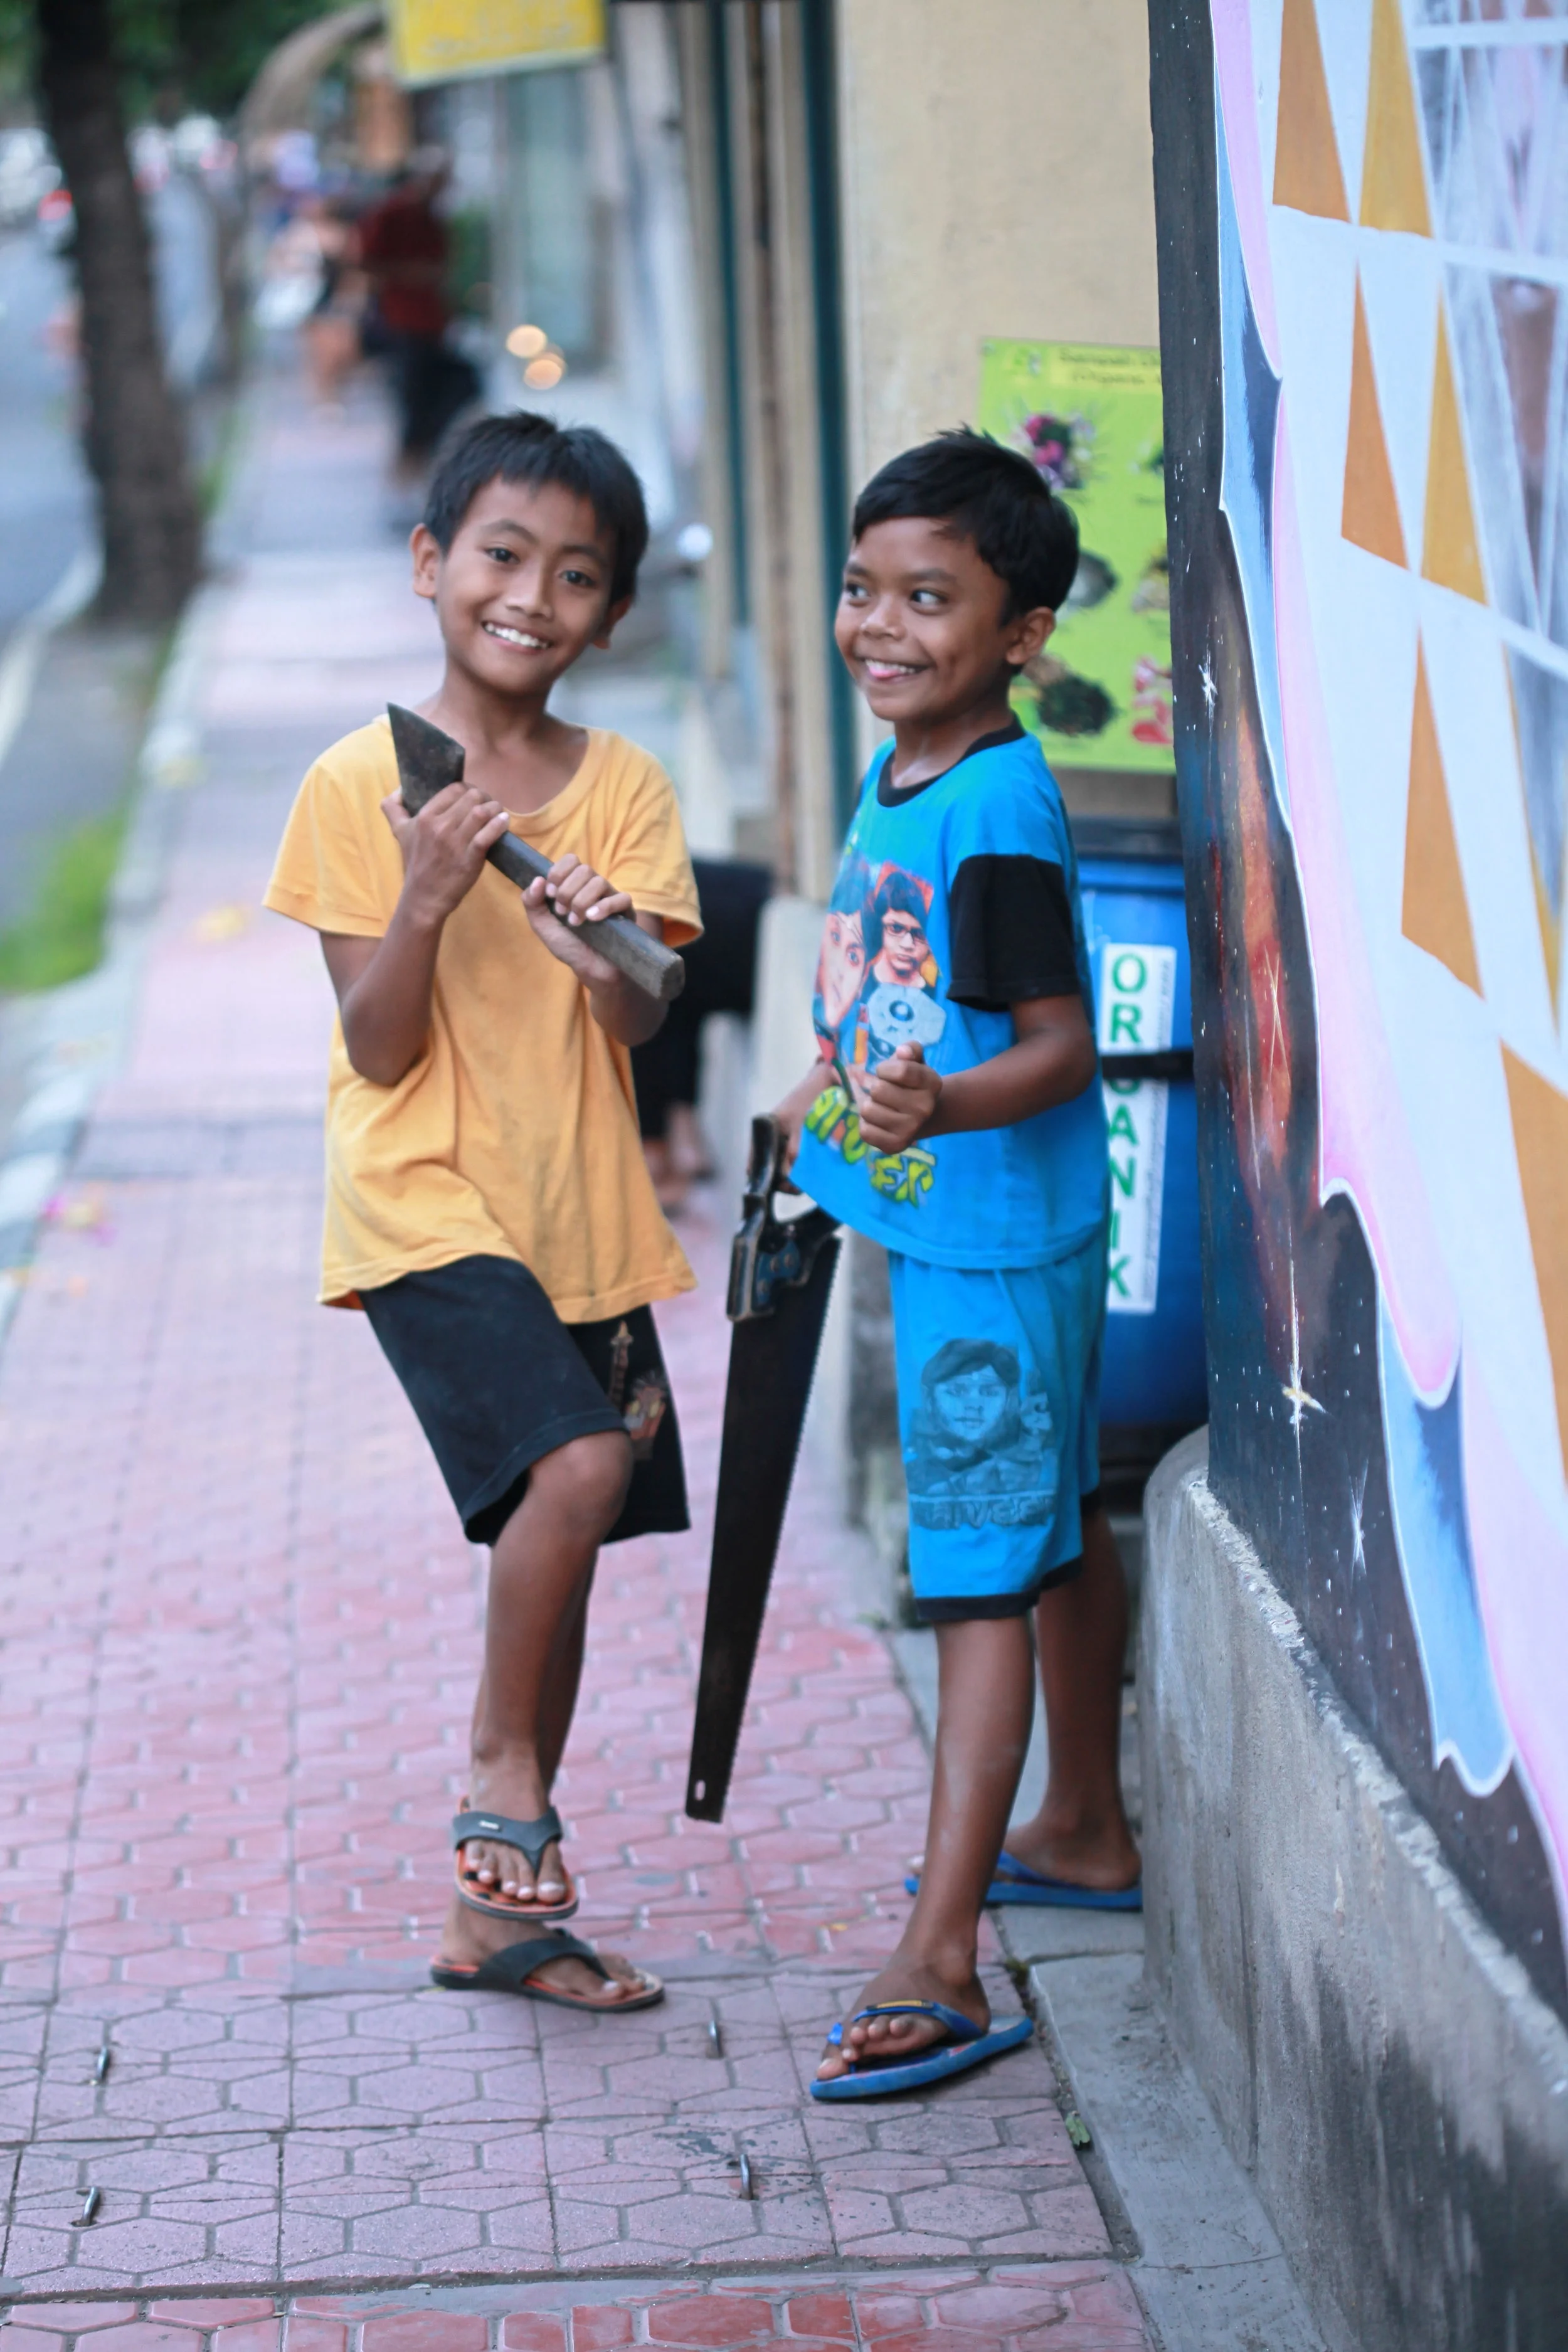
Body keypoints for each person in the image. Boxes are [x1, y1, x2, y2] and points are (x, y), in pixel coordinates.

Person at [263, 412, 702, 2015]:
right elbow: (376, 1043)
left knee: (566, 1538)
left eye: (577, 573)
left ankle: (495, 1918)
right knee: (579, 1461)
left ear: (614, 610)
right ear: (433, 562)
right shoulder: (356, 781)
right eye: (504, 554)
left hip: (575, 1208)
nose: (533, 594)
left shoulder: (628, 787)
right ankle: (500, 1775)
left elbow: (645, 1026)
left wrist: (606, 949)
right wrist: (432, 891)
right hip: (419, 1197)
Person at [773, 426, 1140, 2099]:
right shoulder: (905, 762)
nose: (881, 625)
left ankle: (937, 1958)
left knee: (974, 1575)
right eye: (864, 589)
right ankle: (1075, 1825)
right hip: (958, 1228)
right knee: (1049, 1525)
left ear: (1019, 634)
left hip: (986, 1258)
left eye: (930, 597)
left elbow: (1052, 1048)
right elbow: (889, 990)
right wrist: (822, 1105)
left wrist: (933, 1096)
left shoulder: (994, 805)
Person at [357, 151, 479, 485]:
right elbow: (367, 263)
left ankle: (419, 462)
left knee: (452, 389)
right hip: (403, 323)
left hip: (432, 323)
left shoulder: (432, 218)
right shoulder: (393, 213)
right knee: (413, 402)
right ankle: (405, 472)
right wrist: (411, 274)